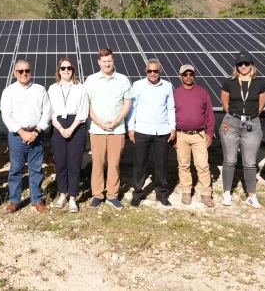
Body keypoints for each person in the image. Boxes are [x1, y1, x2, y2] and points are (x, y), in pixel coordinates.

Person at [0, 60, 52, 214]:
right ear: (15, 73)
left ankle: (36, 200)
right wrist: (22, 132)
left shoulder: (40, 90)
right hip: (17, 136)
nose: (24, 73)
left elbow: (47, 112)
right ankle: (14, 201)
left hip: (37, 135)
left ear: (31, 71)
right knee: (16, 169)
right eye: (20, 71)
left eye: (27, 70)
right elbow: (6, 115)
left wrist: (35, 132)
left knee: (36, 169)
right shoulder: (8, 91)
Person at [85, 49, 132, 210]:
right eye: (104, 61)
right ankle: (98, 195)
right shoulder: (90, 80)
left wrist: (118, 120)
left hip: (117, 130)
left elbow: (127, 103)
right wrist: (98, 122)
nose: (107, 64)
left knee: (114, 164)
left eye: (109, 61)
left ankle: (112, 195)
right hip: (97, 130)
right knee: (97, 164)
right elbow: (88, 105)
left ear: (113, 61)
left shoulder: (123, 80)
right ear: (99, 62)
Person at [219, 51, 265, 208]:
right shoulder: (229, 82)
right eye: (240, 64)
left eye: (247, 63)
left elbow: (261, 105)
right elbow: (225, 103)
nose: (244, 66)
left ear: (252, 65)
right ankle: (227, 192)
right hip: (231, 122)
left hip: (252, 124)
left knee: (249, 162)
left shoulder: (260, 84)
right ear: (236, 67)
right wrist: (235, 117)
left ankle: (251, 196)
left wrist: (250, 117)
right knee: (229, 160)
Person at [127, 59, 175, 207]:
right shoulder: (137, 85)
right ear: (145, 71)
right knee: (140, 164)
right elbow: (132, 108)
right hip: (142, 130)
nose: (152, 74)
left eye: (155, 71)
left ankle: (161, 194)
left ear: (161, 70)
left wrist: (172, 127)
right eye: (150, 71)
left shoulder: (167, 86)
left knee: (161, 164)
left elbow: (171, 108)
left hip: (162, 131)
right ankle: (137, 193)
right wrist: (131, 128)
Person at [47, 58, 88, 213]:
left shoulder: (80, 88)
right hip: (57, 125)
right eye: (63, 68)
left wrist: (71, 128)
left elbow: (83, 111)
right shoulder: (52, 89)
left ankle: (72, 198)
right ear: (58, 70)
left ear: (73, 70)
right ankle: (62, 194)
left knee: (74, 163)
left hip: (76, 125)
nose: (66, 71)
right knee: (60, 162)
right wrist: (59, 128)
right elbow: (49, 111)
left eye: (69, 68)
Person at [172, 64, 215, 207]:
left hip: (199, 135)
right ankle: (186, 191)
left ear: (194, 75)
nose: (188, 76)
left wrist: (210, 133)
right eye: (185, 74)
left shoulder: (203, 92)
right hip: (180, 135)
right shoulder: (175, 93)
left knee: (203, 165)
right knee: (183, 165)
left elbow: (209, 115)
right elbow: (170, 116)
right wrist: (172, 137)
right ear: (180, 76)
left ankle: (205, 193)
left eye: (191, 74)